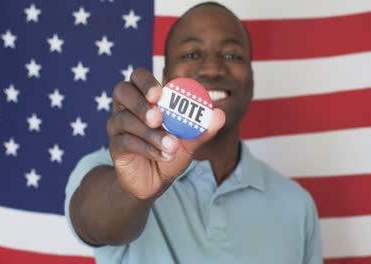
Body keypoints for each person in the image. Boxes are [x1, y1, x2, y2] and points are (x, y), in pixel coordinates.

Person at [65, 2, 323, 263]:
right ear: (166, 79)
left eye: (232, 55)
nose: (212, 69)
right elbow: (96, 224)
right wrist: (131, 193)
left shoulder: (297, 205)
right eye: (191, 54)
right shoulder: (114, 169)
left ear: (252, 79)